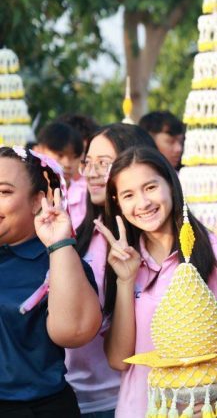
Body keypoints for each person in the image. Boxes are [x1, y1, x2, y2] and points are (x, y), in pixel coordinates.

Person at [96, 146, 217, 417]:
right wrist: (125, 280)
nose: (142, 203)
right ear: (118, 202)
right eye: (128, 195)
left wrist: (214, 399)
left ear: (171, 184)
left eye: (150, 187)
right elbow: (118, 360)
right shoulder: (122, 262)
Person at [0, 146, 101, 417]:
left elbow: (74, 332)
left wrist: (59, 245)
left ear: (37, 201)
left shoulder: (58, 262)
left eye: (4, 192)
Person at [66, 124, 157, 417]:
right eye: (88, 162)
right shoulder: (80, 233)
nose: (91, 173)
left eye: (103, 163)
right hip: (70, 393)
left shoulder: (150, 245)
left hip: (123, 398)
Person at [33, 122, 85, 228]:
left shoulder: (87, 197)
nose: (67, 164)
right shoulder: (24, 191)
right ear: (38, 150)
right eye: (60, 155)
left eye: (74, 157)